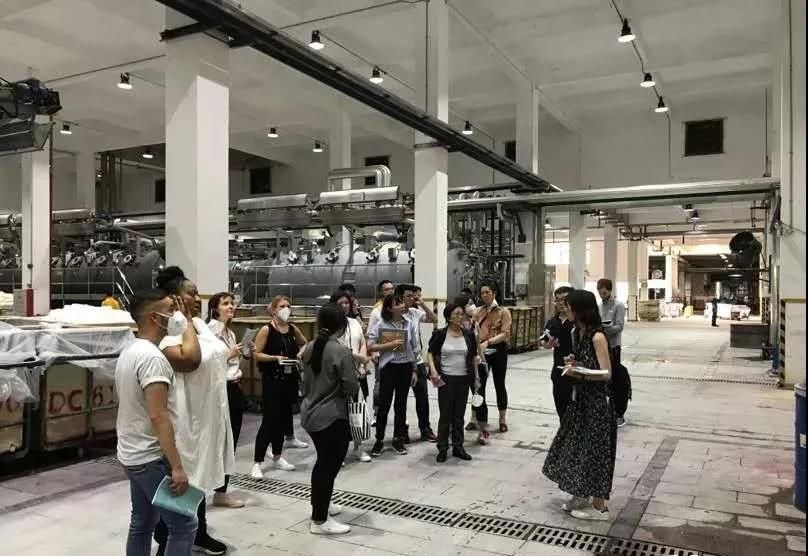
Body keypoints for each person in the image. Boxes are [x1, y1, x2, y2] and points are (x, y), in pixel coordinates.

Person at [153, 267, 231, 556]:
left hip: (207, 414)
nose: (198, 298)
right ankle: (166, 540)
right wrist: (183, 320)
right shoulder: (170, 329)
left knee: (201, 477)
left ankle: (198, 533)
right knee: (182, 479)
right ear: (174, 297)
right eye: (191, 293)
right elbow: (189, 360)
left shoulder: (198, 324)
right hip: (184, 417)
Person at [116, 289, 197, 556]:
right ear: (154, 317)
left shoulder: (131, 351)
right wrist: (177, 466)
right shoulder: (152, 359)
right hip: (150, 458)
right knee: (184, 525)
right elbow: (158, 415)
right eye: (171, 310)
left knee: (142, 523)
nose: (176, 315)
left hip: (130, 454)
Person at [542, 289, 617, 522]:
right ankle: (581, 494)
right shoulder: (578, 332)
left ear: (581, 310)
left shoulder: (598, 337)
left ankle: (598, 506)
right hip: (580, 401)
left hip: (597, 403)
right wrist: (573, 362)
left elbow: (606, 373)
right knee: (576, 449)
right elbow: (583, 359)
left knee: (594, 453)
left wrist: (580, 373)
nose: (566, 310)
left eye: (570, 306)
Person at [300, 303, 359, 535]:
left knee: (323, 463)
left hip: (310, 413)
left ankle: (323, 504)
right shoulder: (341, 351)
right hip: (332, 417)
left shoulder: (309, 347)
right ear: (342, 326)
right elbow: (352, 386)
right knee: (327, 467)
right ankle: (319, 520)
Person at [251, 295, 308, 478]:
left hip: (289, 378)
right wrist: (274, 358)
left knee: (283, 419)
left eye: (288, 306)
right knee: (269, 420)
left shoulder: (292, 328)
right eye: (282, 306)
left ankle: (277, 456)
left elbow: (305, 343)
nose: (286, 309)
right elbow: (257, 354)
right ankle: (257, 462)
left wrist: (299, 354)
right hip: (272, 379)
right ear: (274, 310)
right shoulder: (266, 330)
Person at [367, 293, 420, 457]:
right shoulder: (381, 324)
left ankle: (398, 439)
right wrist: (388, 345)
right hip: (389, 368)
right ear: (390, 308)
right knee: (384, 406)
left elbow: (414, 348)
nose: (403, 306)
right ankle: (379, 439)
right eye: (398, 304)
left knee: (401, 405)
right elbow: (370, 346)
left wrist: (414, 370)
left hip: (405, 367)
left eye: (402, 303)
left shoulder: (408, 323)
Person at [206, 292, 246, 508]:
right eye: (225, 304)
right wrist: (228, 354)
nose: (231, 306)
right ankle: (215, 489)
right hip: (221, 390)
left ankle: (221, 491)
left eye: (232, 303)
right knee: (219, 440)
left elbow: (232, 364)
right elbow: (207, 363)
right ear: (215, 308)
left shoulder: (229, 332)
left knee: (231, 440)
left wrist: (243, 353)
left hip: (234, 387)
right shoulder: (209, 332)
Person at [427, 302, 480, 463]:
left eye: (461, 314)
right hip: (446, 379)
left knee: (459, 416)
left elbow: (473, 357)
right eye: (456, 314)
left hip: (463, 379)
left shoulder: (468, 335)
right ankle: (442, 447)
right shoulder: (440, 334)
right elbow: (430, 353)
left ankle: (458, 447)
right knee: (445, 415)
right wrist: (433, 371)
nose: (460, 316)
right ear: (448, 317)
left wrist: (476, 377)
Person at [330, 289, 372, 462]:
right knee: (339, 415)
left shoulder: (354, 322)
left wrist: (362, 365)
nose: (344, 306)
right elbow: (336, 350)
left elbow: (362, 343)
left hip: (357, 374)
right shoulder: (330, 325)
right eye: (340, 303)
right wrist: (358, 357)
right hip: (337, 375)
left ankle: (358, 447)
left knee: (357, 410)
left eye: (347, 302)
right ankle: (337, 452)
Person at [469, 282, 512, 443]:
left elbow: (505, 334)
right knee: (479, 386)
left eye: (487, 292)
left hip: (498, 350)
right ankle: (476, 418)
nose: (484, 295)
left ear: (494, 293)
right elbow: (472, 330)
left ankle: (502, 419)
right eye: (482, 293)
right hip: (481, 351)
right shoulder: (477, 311)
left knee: (499, 384)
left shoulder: (504, 311)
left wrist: (489, 342)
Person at [402, 284, 437, 443]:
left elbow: (433, 319)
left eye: (413, 296)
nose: (412, 299)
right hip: (401, 363)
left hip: (418, 362)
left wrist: (422, 303)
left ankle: (425, 429)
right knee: (401, 399)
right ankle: (401, 431)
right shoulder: (391, 315)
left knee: (422, 397)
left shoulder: (415, 313)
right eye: (409, 296)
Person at [597, 279, 630, 427]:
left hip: (613, 347)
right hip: (601, 346)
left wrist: (607, 328)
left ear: (610, 290)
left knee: (615, 378)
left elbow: (619, 327)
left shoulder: (619, 305)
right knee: (603, 378)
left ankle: (618, 413)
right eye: (599, 291)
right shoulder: (599, 306)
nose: (602, 294)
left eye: (604, 291)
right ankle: (606, 409)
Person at [541, 286, 576, 420]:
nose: (561, 303)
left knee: (575, 410)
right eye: (557, 300)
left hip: (576, 370)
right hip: (558, 371)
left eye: (564, 299)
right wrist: (548, 344)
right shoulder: (552, 322)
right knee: (561, 408)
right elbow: (544, 341)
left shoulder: (577, 321)